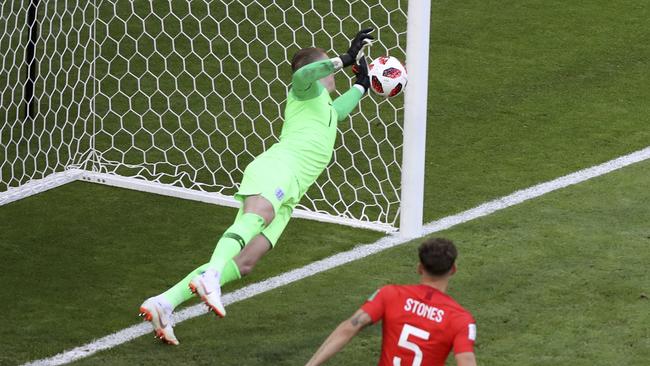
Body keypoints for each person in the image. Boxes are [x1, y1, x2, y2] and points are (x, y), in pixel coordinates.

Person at [138, 28, 375, 345]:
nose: (333, 78)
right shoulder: (303, 91)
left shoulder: (324, 107)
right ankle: (210, 278)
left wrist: (361, 85)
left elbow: (338, 112)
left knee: (246, 261)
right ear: (321, 70)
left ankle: (164, 303)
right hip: (278, 169)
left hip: (293, 190)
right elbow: (306, 72)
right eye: (329, 71)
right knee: (257, 217)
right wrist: (345, 59)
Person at [306, 238, 477, 366]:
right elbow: (466, 359)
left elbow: (349, 327)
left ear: (419, 267)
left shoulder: (390, 295)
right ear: (453, 270)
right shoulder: (461, 319)